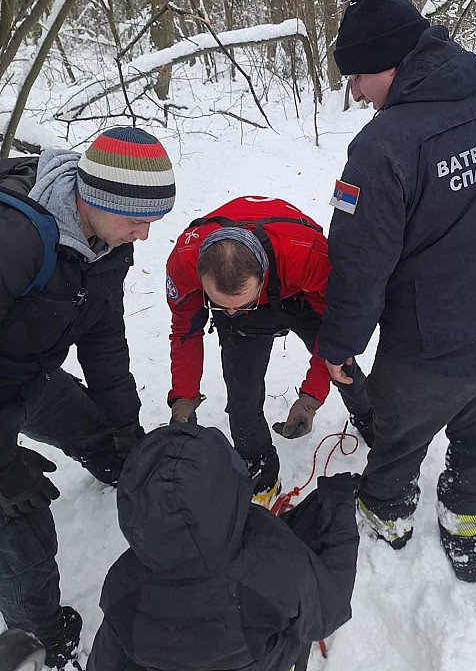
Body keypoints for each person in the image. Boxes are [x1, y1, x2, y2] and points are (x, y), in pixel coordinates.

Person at [318, 0, 476, 582]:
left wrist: (340, 347)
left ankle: (389, 513)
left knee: (398, 438)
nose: (354, 90)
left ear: (386, 66)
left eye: (357, 76)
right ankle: (468, 523)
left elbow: (359, 264)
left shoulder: (385, 146)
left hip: (431, 346)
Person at [0, 126, 176, 668]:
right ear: (92, 198)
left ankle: (122, 466)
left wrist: (127, 423)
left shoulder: (106, 240)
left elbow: (102, 335)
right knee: (22, 527)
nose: (145, 236)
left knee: (104, 432)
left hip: (31, 374)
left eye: (153, 221)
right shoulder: (16, 245)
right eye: (136, 220)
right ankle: (40, 641)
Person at [87, 424, 359, 671]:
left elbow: (105, 661)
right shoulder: (274, 559)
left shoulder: (121, 585)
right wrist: (339, 501)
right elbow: (327, 610)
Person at [165, 196, 373, 508]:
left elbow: (335, 332)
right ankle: (260, 470)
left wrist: (310, 399)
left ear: (262, 276)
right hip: (264, 285)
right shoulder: (184, 261)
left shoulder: (309, 257)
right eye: (223, 305)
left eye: (242, 304)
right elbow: (185, 330)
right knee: (242, 397)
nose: (233, 314)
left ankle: (370, 417)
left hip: (299, 291)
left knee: (340, 365)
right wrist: (184, 397)